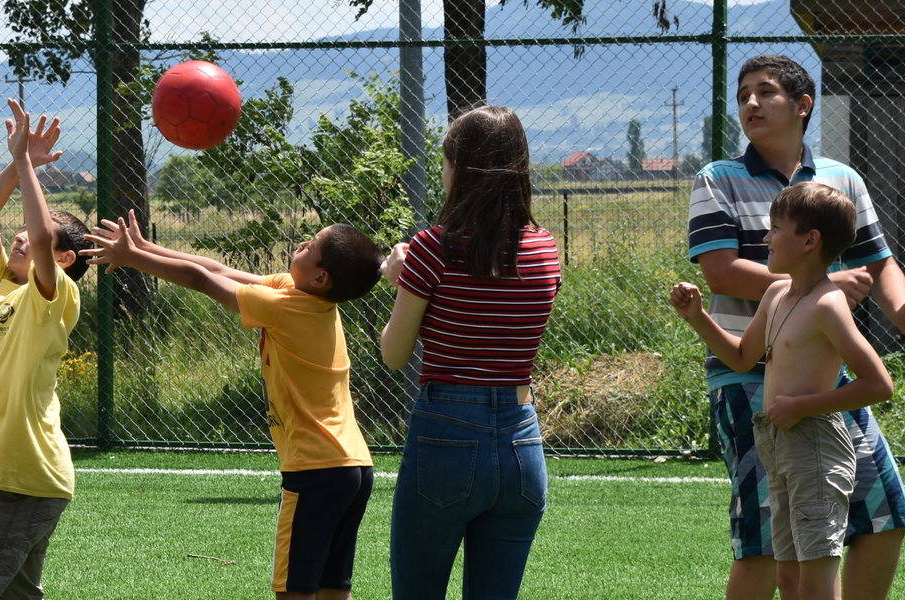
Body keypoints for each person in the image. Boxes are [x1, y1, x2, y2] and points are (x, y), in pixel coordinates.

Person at [689, 54, 905, 600]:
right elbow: (722, 269)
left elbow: (877, 261)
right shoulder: (718, 179)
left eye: (766, 92)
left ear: (803, 105)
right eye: (744, 94)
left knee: (883, 517)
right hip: (748, 382)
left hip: (828, 387)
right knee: (765, 544)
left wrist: (902, 312)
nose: (751, 103)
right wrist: (817, 288)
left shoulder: (841, 179)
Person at [83, 211, 381, 600]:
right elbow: (217, 267)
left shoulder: (284, 306)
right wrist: (143, 247)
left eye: (310, 246)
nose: (301, 244)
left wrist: (132, 260)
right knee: (332, 587)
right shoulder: (303, 297)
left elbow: (201, 280)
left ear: (320, 277)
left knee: (294, 591)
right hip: (354, 467)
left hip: (317, 468)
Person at [674, 182, 898, 600]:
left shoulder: (828, 305)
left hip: (815, 447)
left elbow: (878, 384)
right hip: (777, 444)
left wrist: (803, 406)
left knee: (814, 582)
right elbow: (742, 357)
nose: (765, 238)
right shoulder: (778, 293)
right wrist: (698, 317)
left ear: (810, 241)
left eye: (776, 229)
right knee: (789, 580)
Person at [376, 105, 559, 600]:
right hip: (523, 440)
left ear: (459, 167)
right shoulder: (545, 249)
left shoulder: (433, 249)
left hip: (446, 433)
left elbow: (393, 353)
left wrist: (398, 279)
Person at [0, 100, 91, 600]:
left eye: (38, 240)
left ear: (63, 259)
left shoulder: (54, 298)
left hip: (23, 479)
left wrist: (23, 165)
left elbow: (36, 235)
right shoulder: (1, 288)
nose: (20, 237)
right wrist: (23, 165)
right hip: (6, 478)